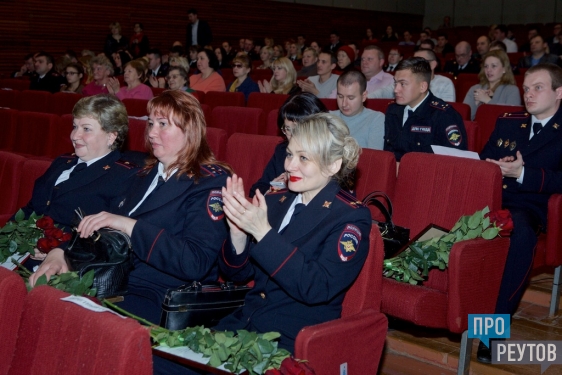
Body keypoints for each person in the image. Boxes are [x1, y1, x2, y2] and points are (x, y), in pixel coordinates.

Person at [29, 90, 231, 328]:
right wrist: (62, 253)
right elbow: (102, 231)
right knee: (42, 302)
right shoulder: (142, 175)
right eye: (151, 123)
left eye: (163, 124)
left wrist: (130, 226)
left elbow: (195, 262)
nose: (152, 132)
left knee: (75, 324)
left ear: (189, 130)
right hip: (116, 280)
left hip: (161, 295)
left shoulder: (209, 182)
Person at [216, 112, 370, 354]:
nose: (289, 166)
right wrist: (238, 233)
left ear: (333, 165)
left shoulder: (349, 216)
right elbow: (237, 275)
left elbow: (317, 287)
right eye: (289, 154)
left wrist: (263, 232)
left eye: (303, 158)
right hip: (243, 327)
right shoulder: (277, 200)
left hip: (292, 341)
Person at [476, 63, 562, 363]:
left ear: (559, 92)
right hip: (490, 197)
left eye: (538, 87)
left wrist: (523, 173)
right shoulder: (509, 122)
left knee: (520, 236)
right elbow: (484, 157)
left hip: (531, 206)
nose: (528, 94)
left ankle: (491, 332)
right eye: (526, 88)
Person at [17, 94, 139, 264]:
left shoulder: (124, 175)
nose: (74, 135)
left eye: (86, 129)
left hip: (69, 262)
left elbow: (108, 237)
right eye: (75, 126)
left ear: (111, 136)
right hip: (21, 250)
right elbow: (31, 208)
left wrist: (58, 251)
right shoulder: (62, 162)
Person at [384, 57, 467, 162]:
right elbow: (388, 153)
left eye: (403, 84)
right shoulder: (393, 111)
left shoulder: (444, 116)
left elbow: (455, 163)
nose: (396, 90)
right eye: (395, 83)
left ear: (422, 87)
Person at [250, 93, 328, 197]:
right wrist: (276, 187)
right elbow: (256, 189)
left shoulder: (330, 156)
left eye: (297, 129)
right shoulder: (282, 151)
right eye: (287, 129)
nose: (291, 136)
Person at [331, 71, 385, 150]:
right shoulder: (328, 117)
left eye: (351, 98)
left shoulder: (376, 119)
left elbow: (373, 158)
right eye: (340, 96)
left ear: (363, 96)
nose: (344, 104)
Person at [463, 50, 521, 120]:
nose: (489, 70)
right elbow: (465, 119)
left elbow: (510, 120)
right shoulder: (474, 89)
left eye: (494, 66)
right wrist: (476, 104)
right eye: (486, 66)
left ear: (504, 69)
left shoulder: (512, 90)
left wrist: (487, 100)